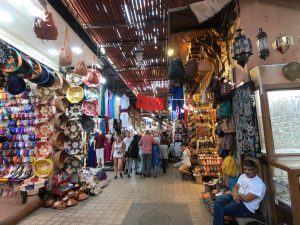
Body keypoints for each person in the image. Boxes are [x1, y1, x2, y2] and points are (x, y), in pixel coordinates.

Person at [213, 159, 266, 225]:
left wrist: (237, 195)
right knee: (218, 199)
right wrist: (235, 194)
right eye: (245, 169)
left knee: (220, 210)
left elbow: (247, 199)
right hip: (236, 198)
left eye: (249, 169)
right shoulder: (243, 176)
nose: (246, 171)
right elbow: (236, 187)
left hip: (246, 207)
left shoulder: (259, 184)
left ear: (255, 170)